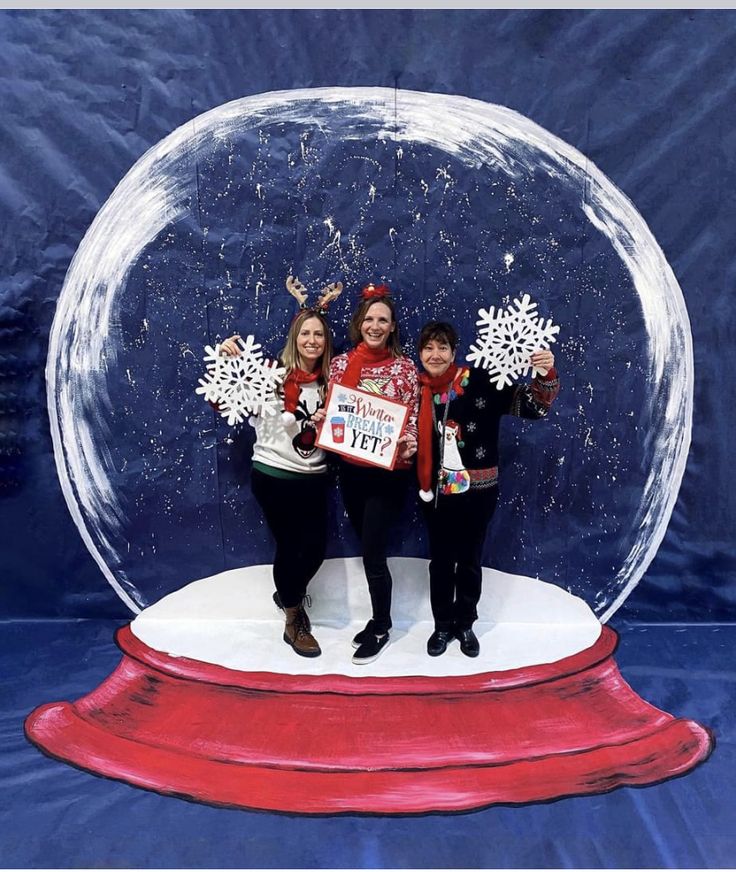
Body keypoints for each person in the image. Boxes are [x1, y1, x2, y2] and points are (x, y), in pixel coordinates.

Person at [415, 320, 560, 658]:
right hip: (434, 494)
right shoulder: (417, 390)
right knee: (440, 561)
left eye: (442, 347)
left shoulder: (481, 381)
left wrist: (544, 372)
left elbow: (535, 407)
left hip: (478, 492)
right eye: (428, 347)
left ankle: (465, 623)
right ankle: (441, 625)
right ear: (420, 353)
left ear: (454, 351)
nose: (435, 354)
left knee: (469, 558)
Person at [220, 278, 341, 658]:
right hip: (273, 475)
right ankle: (293, 621)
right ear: (295, 337)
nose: (311, 340)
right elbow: (228, 400)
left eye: (318, 334)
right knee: (291, 547)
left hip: (313, 478)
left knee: (316, 550)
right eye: (305, 333)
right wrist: (228, 361)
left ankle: (287, 590)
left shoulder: (334, 382)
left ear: (325, 341)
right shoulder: (271, 375)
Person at [326, 283, 419, 665]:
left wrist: (409, 441)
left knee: (373, 555)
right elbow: (335, 411)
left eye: (383, 320)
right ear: (359, 324)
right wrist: (323, 421)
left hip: (387, 475)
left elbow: (412, 416)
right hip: (352, 473)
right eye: (370, 319)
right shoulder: (340, 365)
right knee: (368, 548)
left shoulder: (406, 369)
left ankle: (382, 625)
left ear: (393, 326)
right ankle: (377, 618)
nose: (375, 325)